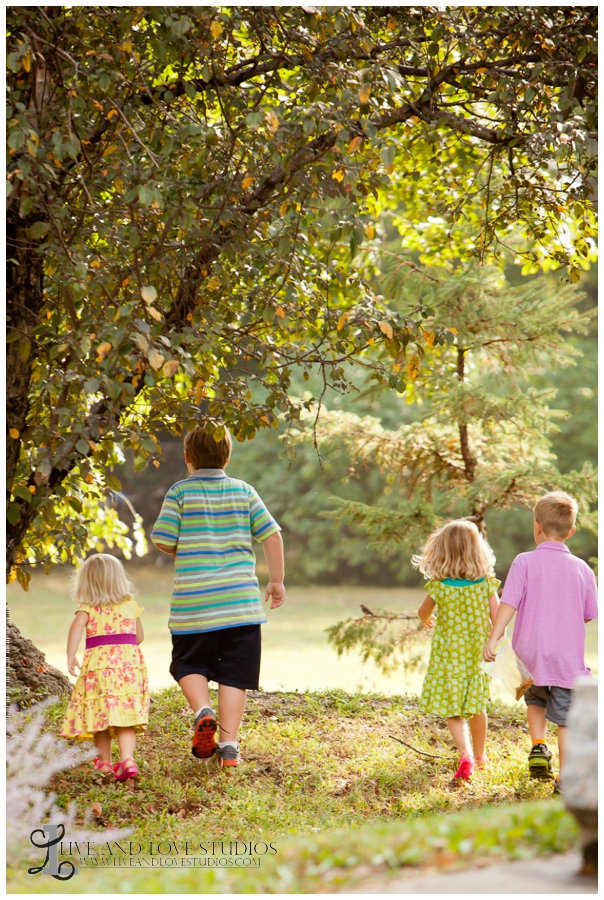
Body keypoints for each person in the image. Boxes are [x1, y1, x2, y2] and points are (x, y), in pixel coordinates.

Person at [151, 424, 285, 768]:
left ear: (187, 458)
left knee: (187, 663)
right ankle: (228, 747)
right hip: (240, 606)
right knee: (234, 675)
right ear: (227, 456)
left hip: (193, 605)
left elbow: (163, 539)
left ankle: (202, 710)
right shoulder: (244, 491)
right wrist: (277, 581)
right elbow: (271, 535)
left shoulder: (179, 493)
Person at [484, 491, 598, 794]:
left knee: (535, 698)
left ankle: (537, 746)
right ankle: (564, 778)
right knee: (564, 718)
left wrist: (494, 638)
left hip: (529, 655)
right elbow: (588, 614)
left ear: (536, 527)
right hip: (565, 659)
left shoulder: (524, 562)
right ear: (571, 531)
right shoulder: (582, 569)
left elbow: (508, 602)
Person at [413, 519, 500, 780]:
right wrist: (493, 641)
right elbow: (499, 620)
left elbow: (422, 612)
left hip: (448, 656)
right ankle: (482, 755)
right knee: (476, 705)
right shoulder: (486, 584)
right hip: (477, 655)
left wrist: (426, 620)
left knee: (453, 709)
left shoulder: (439, 586)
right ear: (478, 550)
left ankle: (466, 755)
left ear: (442, 550)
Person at [60, 553, 149, 781]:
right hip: (127, 667)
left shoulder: (88, 608)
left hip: (98, 667)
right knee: (125, 715)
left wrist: (71, 655)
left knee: (100, 715)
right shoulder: (131, 606)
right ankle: (128, 759)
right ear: (119, 579)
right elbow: (139, 637)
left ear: (86, 582)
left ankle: (105, 764)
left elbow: (76, 627)